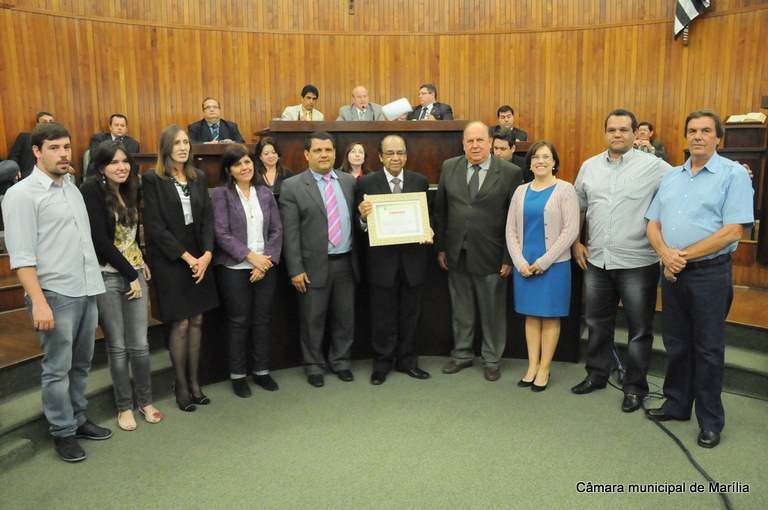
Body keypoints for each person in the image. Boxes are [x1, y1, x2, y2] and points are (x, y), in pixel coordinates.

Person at [1, 122, 111, 463]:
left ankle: (77, 419)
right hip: (54, 294)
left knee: (81, 365)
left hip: (85, 289)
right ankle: (62, 431)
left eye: (66, 147)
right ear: (36, 151)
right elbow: (21, 257)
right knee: (56, 368)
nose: (63, 154)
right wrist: (39, 303)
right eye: (54, 148)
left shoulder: (71, 188)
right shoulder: (21, 195)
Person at [645, 110, 754, 449]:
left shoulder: (733, 175)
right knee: (676, 343)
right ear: (685, 136)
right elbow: (652, 223)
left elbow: (734, 230)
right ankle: (677, 404)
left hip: (709, 274)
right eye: (692, 130)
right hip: (674, 273)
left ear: (718, 138)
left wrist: (681, 256)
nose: (698, 136)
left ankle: (710, 420)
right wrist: (664, 253)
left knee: (708, 350)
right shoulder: (671, 177)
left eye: (706, 131)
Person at [570, 109, 672, 413]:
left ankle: (634, 387)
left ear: (635, 133)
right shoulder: (589, 167)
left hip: (638, 262)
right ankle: (597, 375)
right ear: (605, 133)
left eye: (624, 130)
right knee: (597, 323)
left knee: (640, 329)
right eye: (612, 129)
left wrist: (736, 170)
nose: (617, 134)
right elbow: (579, 207)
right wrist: (576, 241)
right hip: (598, 261)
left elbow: (687, 181)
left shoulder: (655, 167)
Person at [81, 141, 162, 431]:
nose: (121, 167)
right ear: (101, 167)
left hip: (134, 272)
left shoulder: (129, 188)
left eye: (125, 161)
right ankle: (124, 407)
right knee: (117, 347)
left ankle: (145, 401)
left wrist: (140, 262)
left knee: (140, 345)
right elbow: (100, 242)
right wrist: (130, 274)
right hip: (108, 276)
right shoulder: (91, 190)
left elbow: (129, 235)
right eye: (114, 162)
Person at [434, 121, 523, 381]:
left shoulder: (509, 172)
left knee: (492, 310)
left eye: (480, 140)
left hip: (492, 254)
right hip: (456, 252)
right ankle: (461, 354)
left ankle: (492, 358)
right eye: (470, 141)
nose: (475, 145)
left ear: (490, 143)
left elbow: (514, 219)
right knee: (461, 307)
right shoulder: (449, 167)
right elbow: (441, 212)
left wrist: (509, 256)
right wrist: (441, 248)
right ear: (463, 144)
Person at [142, 125, 219, 411]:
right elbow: (155, 227)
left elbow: (207, 220)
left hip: (201, 255)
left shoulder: (197, 177)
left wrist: (208, 254)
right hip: (172, 258)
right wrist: (188, 258)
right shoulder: (152, 178)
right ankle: (181, 384)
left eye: (186, 142)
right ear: (166, 148)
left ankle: (195, 381)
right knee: (182, 322)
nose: (183, 147)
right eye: (177, 143)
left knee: (198, 320)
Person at [279, 131, 358, 387]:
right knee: (312, 320)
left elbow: (355, 222)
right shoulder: (292, 186)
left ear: (335, 153)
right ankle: (313, 365)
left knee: (345, 318)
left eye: (328, 150)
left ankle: (341, 362)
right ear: (306, 154)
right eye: (318, 150)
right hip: (311, 266)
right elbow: (290, 233)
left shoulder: (349, 182)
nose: (324, 155)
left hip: (346, 262)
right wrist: (295, 269)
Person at [356, 135, 432, 385]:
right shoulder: (366, 183)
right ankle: (382, 365)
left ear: (406, 155)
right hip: (381, 263)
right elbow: (358, 227)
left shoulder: (419, 182)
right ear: (380, 157)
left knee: (411, 316)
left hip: (413, 262)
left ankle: (409, 362)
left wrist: (429, 230)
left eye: (400, 153)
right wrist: (364, 218)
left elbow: (428, 219)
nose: (395, 157)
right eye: (390, 153)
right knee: (382, 317)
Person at [505, 141, 580, 391]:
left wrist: (544, 262)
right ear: (530, 163)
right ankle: (531, 366)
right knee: (531, 316)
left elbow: (571, 231)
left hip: (554, 265)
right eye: (536, 157)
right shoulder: (520, 191)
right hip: (525, 265)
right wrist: (520, 262)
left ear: (554, 162)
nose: (540, 161)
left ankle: (545, 368)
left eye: (546, 157)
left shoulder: (565, 189)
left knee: (549, 318)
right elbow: (511, 230)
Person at [212, 144, 284, 398]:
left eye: (247, 162)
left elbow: (276, 230)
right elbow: (221, 233)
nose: (245, 167)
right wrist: (250, 257)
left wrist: (265, 261)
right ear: (229, 170)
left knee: (262, 320)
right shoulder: (221, 194)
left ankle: (262, 371)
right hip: (235, 268)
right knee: (239, 322)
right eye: (238, 164)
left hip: (265, 267)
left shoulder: (264, 193)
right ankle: (238, 375)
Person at [9, 111, 56, 180]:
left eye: (51, 122)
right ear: (38, 125)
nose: (48, 124)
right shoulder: (25, 137)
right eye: (44, 122)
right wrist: (15, 170)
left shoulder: (57, 141)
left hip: (52, 174)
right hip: (29, 175)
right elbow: (13, 156)